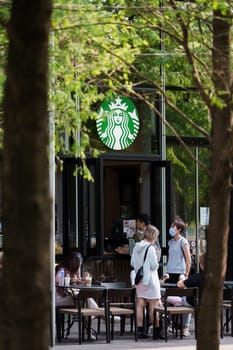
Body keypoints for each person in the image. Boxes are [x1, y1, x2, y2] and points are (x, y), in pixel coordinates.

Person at [130, 224, 162, 339]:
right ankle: (157, 331)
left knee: (140, 304)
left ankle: (139, 330)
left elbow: (133, 263)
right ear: (153, 236)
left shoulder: (136, 247)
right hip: (151, 280)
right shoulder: (151, 248)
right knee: (153, 305)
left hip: (140, 280)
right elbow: (154, 266)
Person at [176, 252, 206, 336]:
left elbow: (180, 285)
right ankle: (184, 328)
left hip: (194, 302)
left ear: (201, 265)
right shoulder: (216, 278)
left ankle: (184, 327)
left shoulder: (197, 277)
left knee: (185, 302)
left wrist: (182, 278)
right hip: (209, 303)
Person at [166, 217, 191, 283]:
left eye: (173, 227)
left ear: (179, 229)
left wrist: (186, 274)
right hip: (169, 272)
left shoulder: (183, 242)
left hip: (180, 273)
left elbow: (188, 259)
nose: (171, 229)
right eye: (171, 227)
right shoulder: (170, 242)